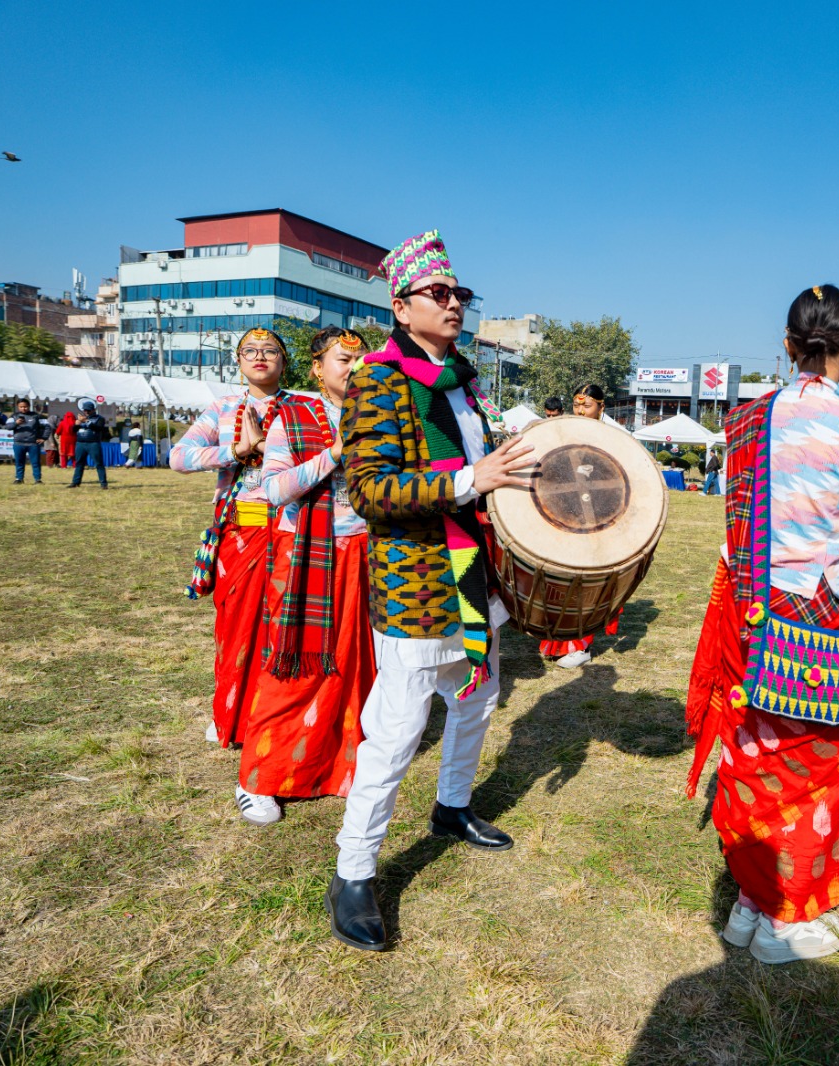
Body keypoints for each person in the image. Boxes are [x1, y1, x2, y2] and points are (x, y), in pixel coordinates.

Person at [686, 284, 839, 964]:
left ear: (788, 346)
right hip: (812, 614)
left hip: (748, 607)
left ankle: (748, 901)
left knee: (754, 753)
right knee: (812, 763)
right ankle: (784, 919)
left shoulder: (744, 420)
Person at [326, 229, 534, 952]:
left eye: (459, 293)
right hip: (414, 581)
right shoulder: (379, 380)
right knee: (396, 731)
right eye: (438, 293)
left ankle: (451, 807)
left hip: (471, 573)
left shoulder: (464, 381)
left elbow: (483, 471)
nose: (454, 304)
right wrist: (470, 479)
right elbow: (370, 490)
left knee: (477, 700)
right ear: (401, 305)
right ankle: (354, 871)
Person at [234, 328, 375, 826]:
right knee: (294, 665)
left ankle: (339, 766)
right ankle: (258, 778)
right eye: (343, 360)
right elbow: (273, 490)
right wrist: (335, 453)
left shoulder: (377, 415)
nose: (354, 369)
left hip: (364, 552)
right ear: (317, 368)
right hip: (306, 555)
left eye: (361, 361)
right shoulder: (291, 416)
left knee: (354, 664)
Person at [172, 326, 289, 748]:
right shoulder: (222, 409)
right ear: (238, 362)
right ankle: (230, 711)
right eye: (249, 350)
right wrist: (237, 451)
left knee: (281, 625)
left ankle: (271, 713)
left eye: (270, 350)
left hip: (290, 527)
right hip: (241, 531)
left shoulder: (303, 408)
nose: (259, 356)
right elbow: (179, 457)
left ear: (284, 362)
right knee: (235, 626)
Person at [537, 383, 625, 669]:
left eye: (586, 405)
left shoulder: (613, 439)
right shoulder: (564, 432)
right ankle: (558, 641)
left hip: (599, 519)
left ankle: (581, 646)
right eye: (576, 405)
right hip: (567, 516)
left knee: (589, 586)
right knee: (561, 582)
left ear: (601, 406)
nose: (580, 411)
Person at [64, 400, 109, 489]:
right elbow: (73, 430)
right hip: (80, 443)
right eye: (85, 410)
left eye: (88, 410)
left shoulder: (99, 418)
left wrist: (87, 421)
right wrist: (76, 424)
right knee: (79, 463)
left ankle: (103, 483)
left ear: (93, 410)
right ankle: (75, 482)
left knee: (98, 463)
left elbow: (98, 428)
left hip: (93, 443)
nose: (86, 412)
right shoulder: (80, 418)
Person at [7, 399, 47, 484]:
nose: (23, 408)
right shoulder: (14, 416)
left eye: (25, 407)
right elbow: (7, 427)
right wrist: (16, 423)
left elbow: (47, 426)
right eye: (21, 407)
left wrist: (44, 437)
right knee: (19, 462)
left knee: (35, 462)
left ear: (29, 406)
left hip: (33, 443)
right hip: (18, 443)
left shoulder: (36, 416)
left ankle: (37, 479)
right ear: (18, 407)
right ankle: (19, 479)